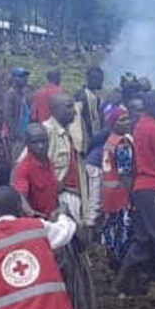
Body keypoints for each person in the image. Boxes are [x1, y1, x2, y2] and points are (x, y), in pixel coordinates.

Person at [116, 90, 155, 295]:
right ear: (153, 107)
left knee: (142, 239)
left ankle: (122, 284)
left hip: (142, 188)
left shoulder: (140, 125)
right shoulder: (154, 128)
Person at [42, 93, 88, 226]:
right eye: (69, 107)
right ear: (56, 109)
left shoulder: (68, 131)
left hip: (72, 195)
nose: (74, 111)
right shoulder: (46, 132)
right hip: (57, 198)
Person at [100, 108, 134, 271]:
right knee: (122, 229)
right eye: (122, 119)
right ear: (113, 123)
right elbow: (125, 172)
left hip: (108, 192)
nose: (127, 122)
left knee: (111, 227)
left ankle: (112, 259)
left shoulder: (110, 140)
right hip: (120, 192)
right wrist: (131, 196)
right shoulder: (122, 143)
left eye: (127, 119)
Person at [77, 67, 106, 226]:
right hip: (87, 148)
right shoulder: (82, 96)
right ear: (90, 78)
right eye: (98, 78)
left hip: (92, 145)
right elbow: (84, 127)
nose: (101, 82)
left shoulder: (95, 97)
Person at [13, 125, 59, 218]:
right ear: (28, 144)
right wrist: (33, 214)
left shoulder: (49, 163)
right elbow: (21, 198)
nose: (41, 146)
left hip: (53, 219)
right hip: (37, 222)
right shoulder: (23, 168)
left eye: (43, 141)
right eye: (35, 142)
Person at [2, 68, 31, 137]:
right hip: (16, 134)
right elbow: (7, 116)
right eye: (21, 76)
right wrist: (15, 132)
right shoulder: (10, 94)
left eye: (25, 77)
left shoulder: (22, 95)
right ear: (14, 79)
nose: (25, 79)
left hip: (25, 133)